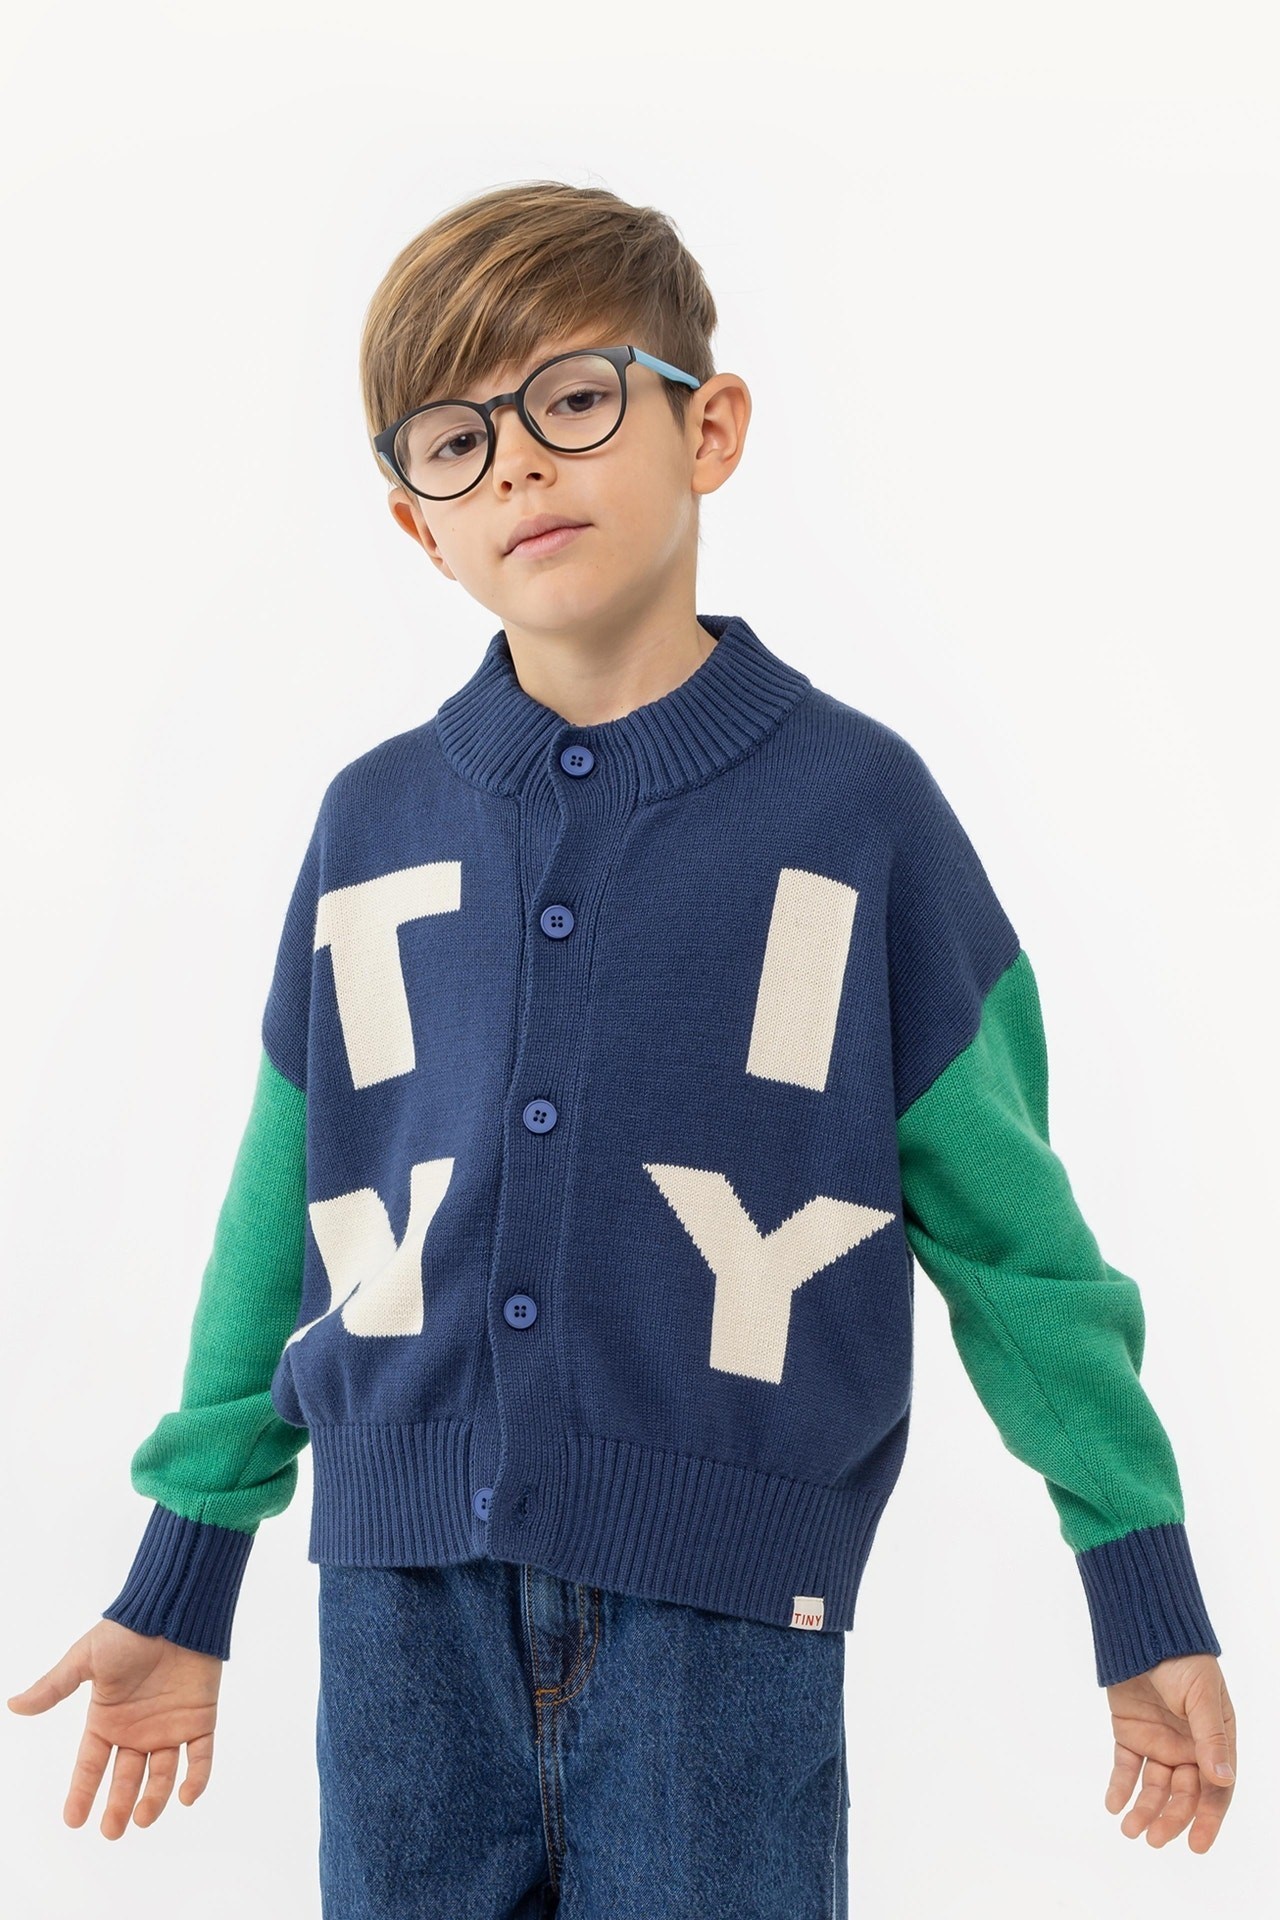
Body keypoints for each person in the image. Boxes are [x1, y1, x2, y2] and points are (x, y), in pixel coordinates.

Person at [7, 179, 1236, 1914]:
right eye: (457, 440)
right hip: (398, 1615)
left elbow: (1017, 1238)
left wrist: (1137, 1571)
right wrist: (187, 1563)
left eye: (573, 399)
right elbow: (283, 1215)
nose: (517, 464)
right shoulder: (375, 823)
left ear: (707, 428)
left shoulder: (858, 815)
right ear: (414, 523)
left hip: (721, 1628)